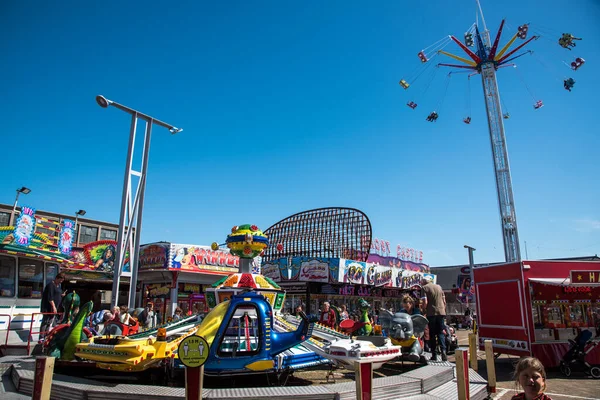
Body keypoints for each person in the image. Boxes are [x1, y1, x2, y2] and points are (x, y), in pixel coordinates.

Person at [421, 275, 447, 361]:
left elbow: (425, 302)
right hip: (441, 312)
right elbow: (444, 301)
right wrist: (443, 309)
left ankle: (434, 354)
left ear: (424, 281)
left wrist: (423, 309)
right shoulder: (439, 287)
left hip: (431, 313)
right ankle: (443, 351)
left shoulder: (424, 288)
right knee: (440, 332)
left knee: (432, 334)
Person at [40, 273, 66, 340]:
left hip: (55, 307)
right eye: (60, 280)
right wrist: (54, 306)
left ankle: (46, 335)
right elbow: (50, 298)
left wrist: (62, 294)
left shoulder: (58, 286)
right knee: (45, 321)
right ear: (57, 278)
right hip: (48, 307)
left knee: (50, 322)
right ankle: (41, 337)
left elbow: (57, 294)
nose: (61, 282)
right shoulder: (51, 285)